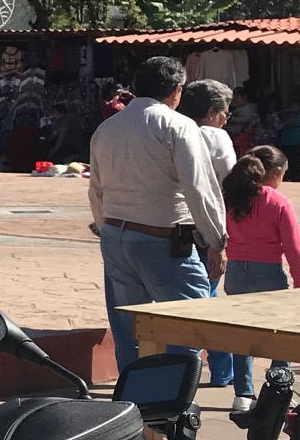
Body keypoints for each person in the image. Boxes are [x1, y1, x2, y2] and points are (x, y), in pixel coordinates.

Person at [87, 57, 228, 373]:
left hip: (115, 235)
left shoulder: (107, 128)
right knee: (187, 328)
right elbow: (199, 189)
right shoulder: (178, 126)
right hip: (163, 239)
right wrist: (216, 240)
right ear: (177, 90)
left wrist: (103, 225)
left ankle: (135, 405)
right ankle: (171, 408)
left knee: (130, 332)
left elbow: (96, 188)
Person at [220, 146, 300, 415]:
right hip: (268, 271)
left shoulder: (232, 198)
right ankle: (276, 388)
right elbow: (293, 247)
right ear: (273, 173)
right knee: (277, 334)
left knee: (241, 333)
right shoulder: (278, 202)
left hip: (236, 270)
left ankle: (242, 393)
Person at [178, 80, 237, 386]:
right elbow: (228, 180)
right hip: (211, 227)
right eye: (225, 111)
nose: (227, 117)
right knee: (211, 298)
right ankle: (222, 371)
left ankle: (184, 369)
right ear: (213, 112)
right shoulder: (217, 137)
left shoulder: (176, 130)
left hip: (177, 226)